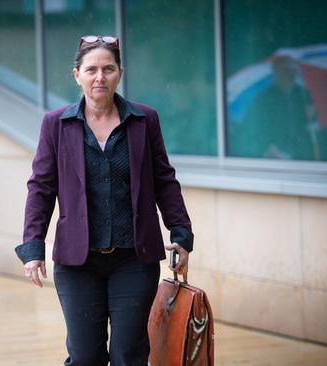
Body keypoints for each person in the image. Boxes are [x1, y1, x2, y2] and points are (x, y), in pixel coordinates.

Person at [15, 35, 194, 365]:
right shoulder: (55, 124)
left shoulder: (144, 121)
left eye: (108, 69)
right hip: (77, 262)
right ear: (77, 74)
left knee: (129, 353)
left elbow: (164, 181)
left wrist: (181, 233)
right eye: (92, 69)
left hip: (134, 259)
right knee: (85, 356)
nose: (100, 77)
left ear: (119, 73)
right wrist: (32, 246)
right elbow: (41, 187)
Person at [233, 55, 318, 160]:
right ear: (276, 72)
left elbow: (311, 125)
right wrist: (266, 146)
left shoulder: (303, 94)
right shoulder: (263, 98)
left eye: (294, 71)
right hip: (273, 155)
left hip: (300, 154)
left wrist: (313, 115)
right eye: (286, 70)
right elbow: (251, 128)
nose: (291, 74)